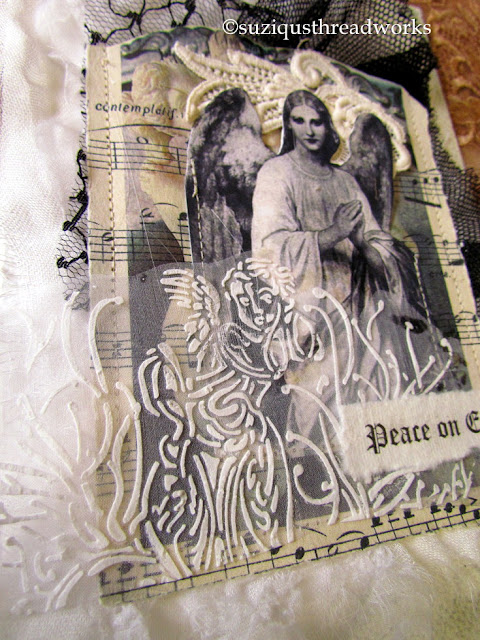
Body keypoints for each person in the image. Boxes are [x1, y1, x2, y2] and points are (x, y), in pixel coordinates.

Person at [251, 90, 448, 445]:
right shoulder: (277, 173)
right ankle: (313, 462)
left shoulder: (345, 182)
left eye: (317, 122)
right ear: (288, 125)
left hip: (359, 303)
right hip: (307, 303)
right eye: (300, 121)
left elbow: (377, 243)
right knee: (316, 397)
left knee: (369, 384)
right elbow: (269, 247)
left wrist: (365, 243)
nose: (309, 130)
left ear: (328, 127)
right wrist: (333, 233)